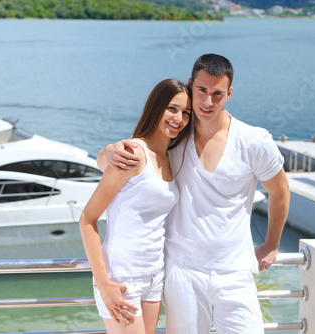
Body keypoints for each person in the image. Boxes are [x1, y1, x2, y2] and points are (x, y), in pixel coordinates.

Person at [97, 54, 290, 333]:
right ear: (190, 85)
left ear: (229, 94)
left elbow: (280, 192)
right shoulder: (174, 137)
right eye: (201, 91)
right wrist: (108, 152)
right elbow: (129, 156)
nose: (207, 102)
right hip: (181, 272)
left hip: (234, 272)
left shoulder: (253, 141)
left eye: (217, 94)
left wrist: (271, 244)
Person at [79, 78, 192, 334]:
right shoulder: (133, 153)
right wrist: (103, 282)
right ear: (156, 107)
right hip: (122, 277)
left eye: (186, 113)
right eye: (172, 109)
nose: (179, 118)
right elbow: (87, 218)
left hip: (154, 275)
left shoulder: (169, 156)